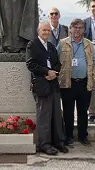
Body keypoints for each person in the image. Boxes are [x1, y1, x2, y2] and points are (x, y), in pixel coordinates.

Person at [26, 22, 67, 155]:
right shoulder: (32, 45)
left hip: (53, 84)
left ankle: (59, 142)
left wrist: (53, 72)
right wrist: (46, 72)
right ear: (38, 31)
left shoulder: (51, 46)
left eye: (48, 31)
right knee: (44, 116)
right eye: (44, 30)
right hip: (41, 85)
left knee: (56, 114)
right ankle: (45, 144)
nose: (46, 32)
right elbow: (30, 64)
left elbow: (57, 63)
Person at [58, 19, 95, 145]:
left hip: (84, 83)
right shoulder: (63, 43)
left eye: (80, 27)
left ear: (84, 30)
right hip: (68, 83)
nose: (77, 30)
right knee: (68, 111)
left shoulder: (89, 44)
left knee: (83, 111)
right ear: (70, 29)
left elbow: (93, 62)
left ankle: (82, 136)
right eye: (75, 27)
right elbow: (56, 61)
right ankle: (68, 136)